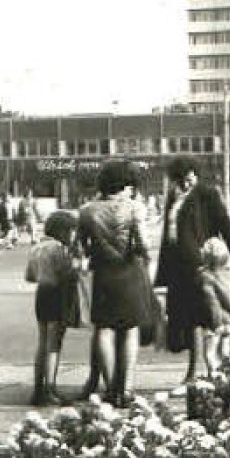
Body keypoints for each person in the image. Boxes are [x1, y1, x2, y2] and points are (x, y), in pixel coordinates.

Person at [156, 157, 230, 389]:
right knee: (185, 319)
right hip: (177, 265)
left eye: (189, 178)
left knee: (201, 318)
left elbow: (225, 225)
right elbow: (168, 235)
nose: (186, 184)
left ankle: (201, 372)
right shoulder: (173, 198)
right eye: (180, 180)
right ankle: (199, 372)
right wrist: (161, 274)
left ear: (195, 174)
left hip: (200, 265)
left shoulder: (207, 194)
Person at [76, 160, 151, 407]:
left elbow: (80, 248)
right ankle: (126, 389)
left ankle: (109, 390)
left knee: (104, 329)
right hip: (129, 272)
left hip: (103, 275)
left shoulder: (88, 210)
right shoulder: (135, 208)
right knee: (130, 329)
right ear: (126, 182)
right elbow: (143, 244)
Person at [25, 210, 79, 405]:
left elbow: (29, 276)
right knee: (54, 344)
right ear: (63, 231)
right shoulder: (59, 249)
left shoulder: (37, 248)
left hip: (41, 295)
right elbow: (67, 274)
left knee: (42, 342)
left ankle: (37, 388)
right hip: (57, 296)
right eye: (72, 231)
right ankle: (50, 388)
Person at [197, 236, 230, 374]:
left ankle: (214, 376)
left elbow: (211, 302)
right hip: (229, 318)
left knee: (209, 353)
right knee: (224, 351)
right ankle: (229, 373)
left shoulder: (206, 277)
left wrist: (214, 322)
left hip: (214, 320)